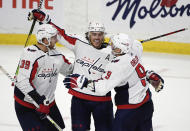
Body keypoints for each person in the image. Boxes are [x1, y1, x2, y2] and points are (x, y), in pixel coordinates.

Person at [28, 9, 114, 131]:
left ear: (104, 35)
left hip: (103, 101)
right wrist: (45, 20)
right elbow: (61, 34)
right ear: (88, 34)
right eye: (94, 34)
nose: (97, 37)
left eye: (100, 34)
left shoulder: (111, 52)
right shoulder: (79, 43)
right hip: (79, 101)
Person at [64, 33, 164, 131]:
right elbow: (137, 43)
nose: (110, 47)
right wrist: (148, 74)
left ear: (120, 49)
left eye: (113, 46)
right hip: (146, 103)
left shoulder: (117, 66)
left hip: (129, 109)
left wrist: (83, 82)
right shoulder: (135, 49)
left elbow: (102, 88)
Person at [14, 24, 73, 131]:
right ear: (45, 40)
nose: (56, 40)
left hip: (48, 103)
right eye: (54, 37)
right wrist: (39, 101)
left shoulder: (57, 55)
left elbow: (70, 70)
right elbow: (22, 81)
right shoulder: (30, 53)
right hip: (27, 105)